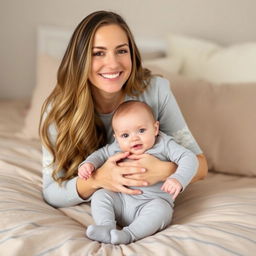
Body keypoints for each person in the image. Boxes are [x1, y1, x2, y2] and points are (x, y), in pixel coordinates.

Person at [39, 11, 207, 212]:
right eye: (98, 53)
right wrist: (98, 179)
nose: (113, 64)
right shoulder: (59, 110)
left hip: (151, 202)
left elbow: (201, 166)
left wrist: (161, 171)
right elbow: (51, 192)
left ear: (132, 54)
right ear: (80, 60)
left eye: (121, 51)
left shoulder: (156, 91)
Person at [78, 100, 199, 244]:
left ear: (155, 128)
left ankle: (128, 235)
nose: (134, 138)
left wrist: (178, 178)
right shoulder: (117, 147)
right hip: (121, 201)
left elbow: (190, 158)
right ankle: (106, 226)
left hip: (150, 203)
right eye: (125, 135)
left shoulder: (164, 144)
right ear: (116, 138)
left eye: (141, 131)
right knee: (101, 195)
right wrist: (88, 164)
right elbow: (100, 154)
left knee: (162, 210)